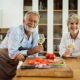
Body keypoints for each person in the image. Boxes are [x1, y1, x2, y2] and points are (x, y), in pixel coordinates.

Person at [0, 11, 43, 80]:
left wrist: (35, 61)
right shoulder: (16, 31)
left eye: (35, 22)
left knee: (13, 77)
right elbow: (13, 53)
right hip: (3, 58)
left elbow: (34, 53)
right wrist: (30, 54)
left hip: (14, 60)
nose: (32, 23)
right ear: (23, 21)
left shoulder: (35, 34)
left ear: (37, 24)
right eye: (30, 20)